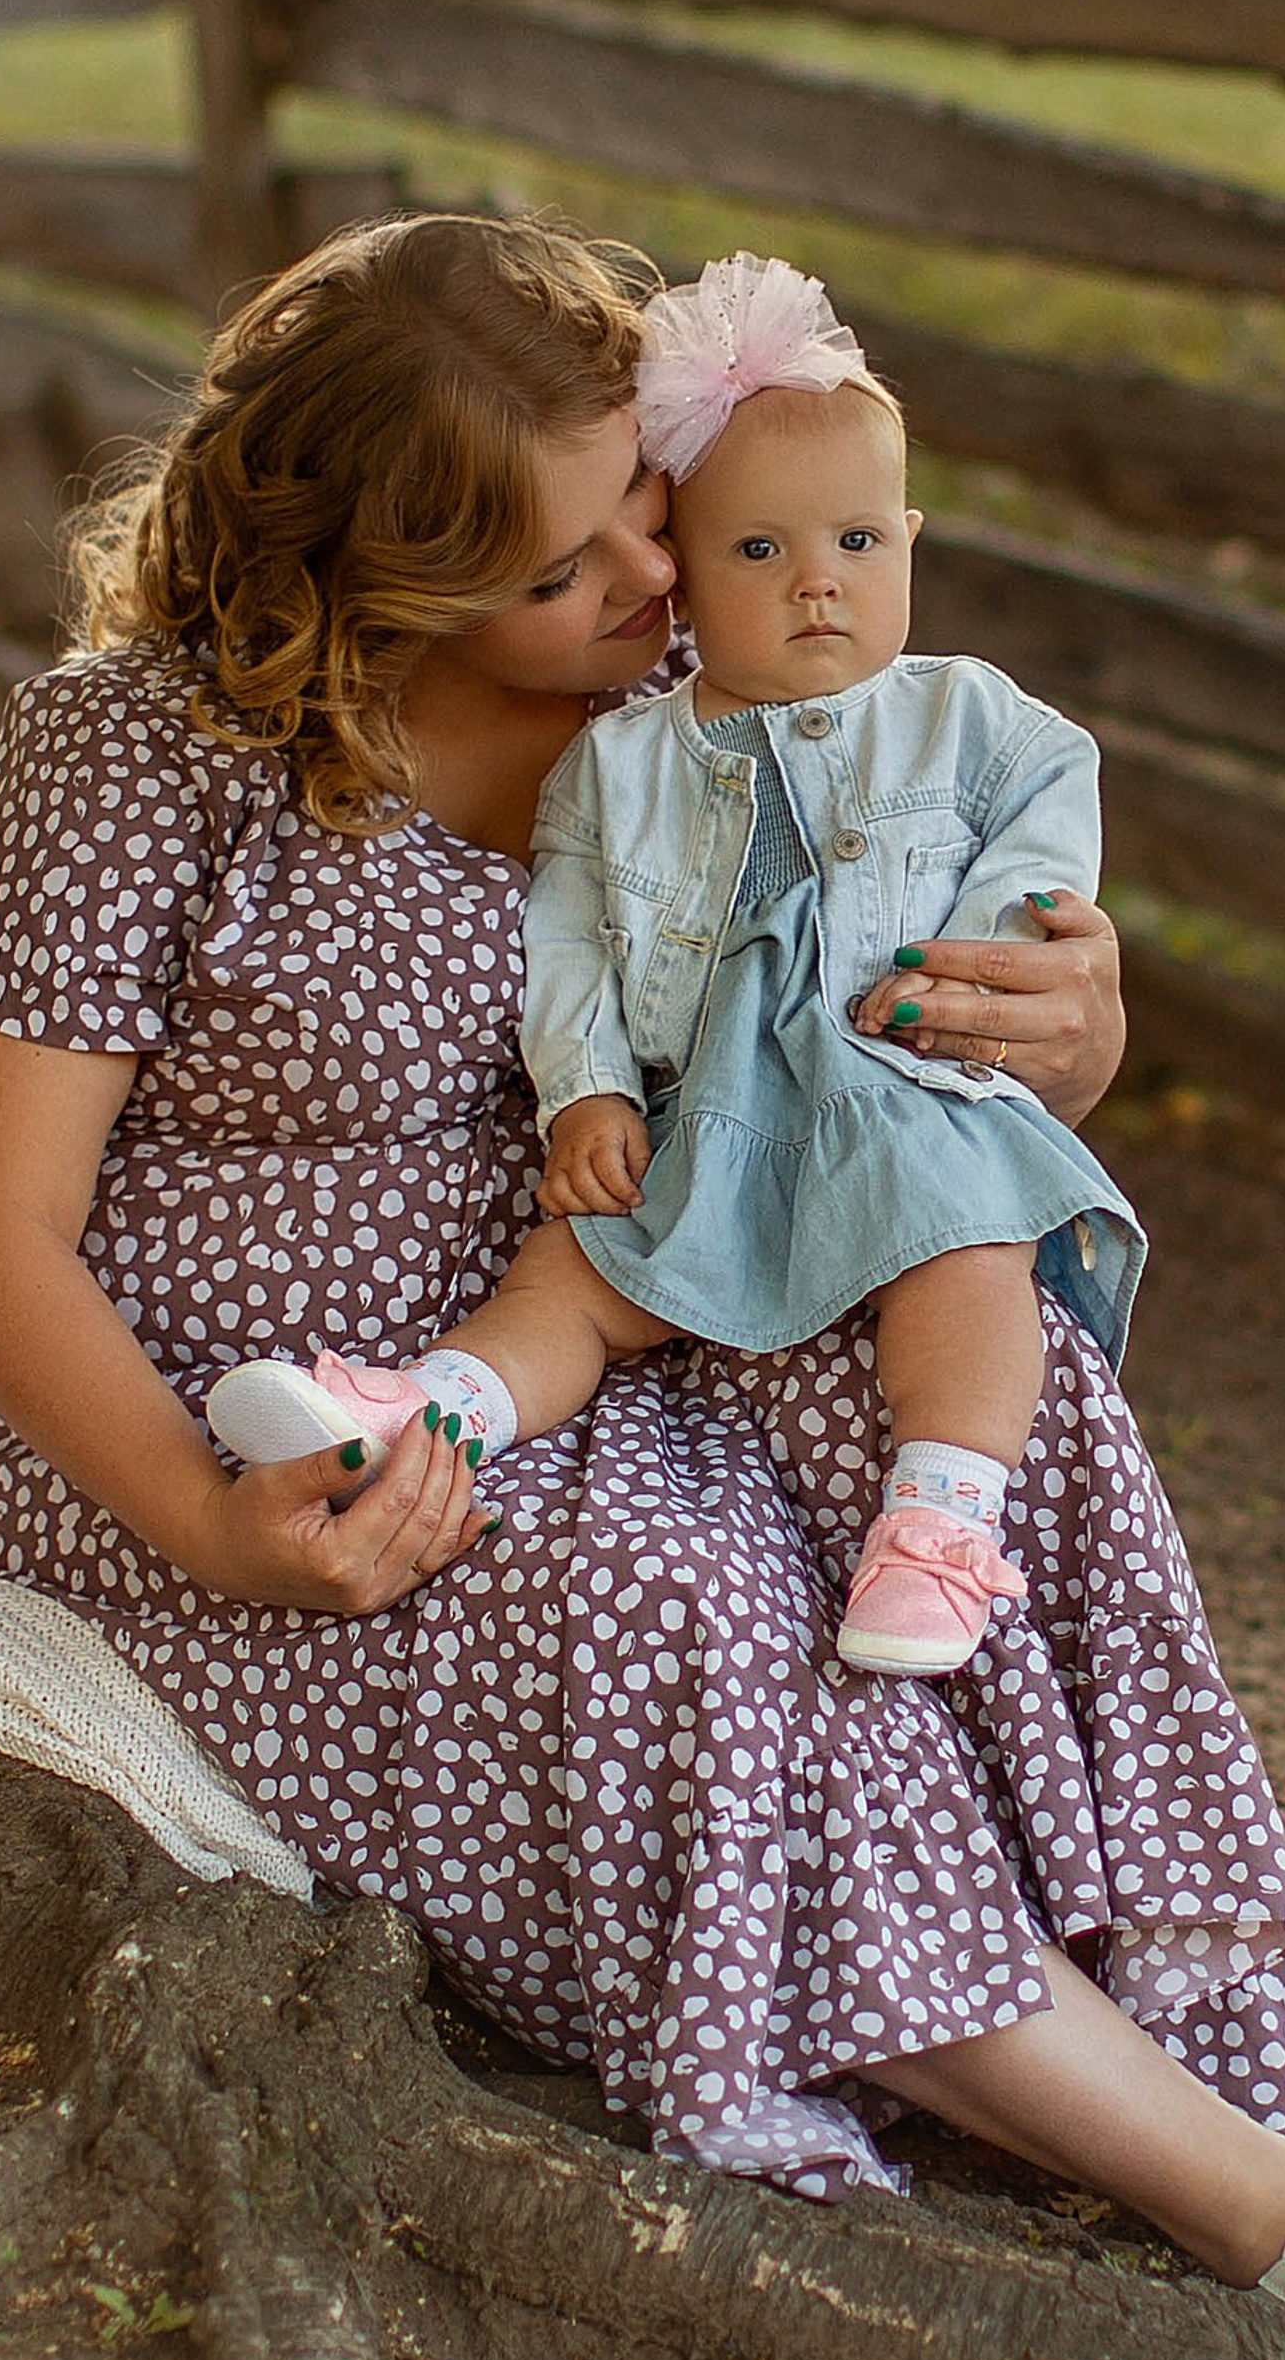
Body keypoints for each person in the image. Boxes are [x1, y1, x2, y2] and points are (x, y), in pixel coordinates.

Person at [0, 210, 1285, 2360]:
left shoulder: (721, 718)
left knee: (1002, 1418)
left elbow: (924, 1007)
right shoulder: (137, 758)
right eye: (558, 564)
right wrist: (211, 1531)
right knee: (681, 1613)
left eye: (642, 497)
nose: (643, 572)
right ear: (365, 585)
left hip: (628, 1302)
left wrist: (1056, 1035)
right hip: (215, 1430)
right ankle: (1268, 2214)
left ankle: (1227, 2028)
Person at [206, 253, 1146, 1683]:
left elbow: (1048, 815)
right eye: (758, 554)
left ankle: (945, 1514)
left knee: (970, 1258)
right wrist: (585, 1092)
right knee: (571, 1277)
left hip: (901, 1096)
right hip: (707, 1114)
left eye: (858, 546)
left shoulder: (969, 719)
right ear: (695, 569)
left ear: (910, 539)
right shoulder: (624, 756)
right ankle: (428, 1404)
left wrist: (1012, 961)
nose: (818, 588)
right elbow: (570, 936)